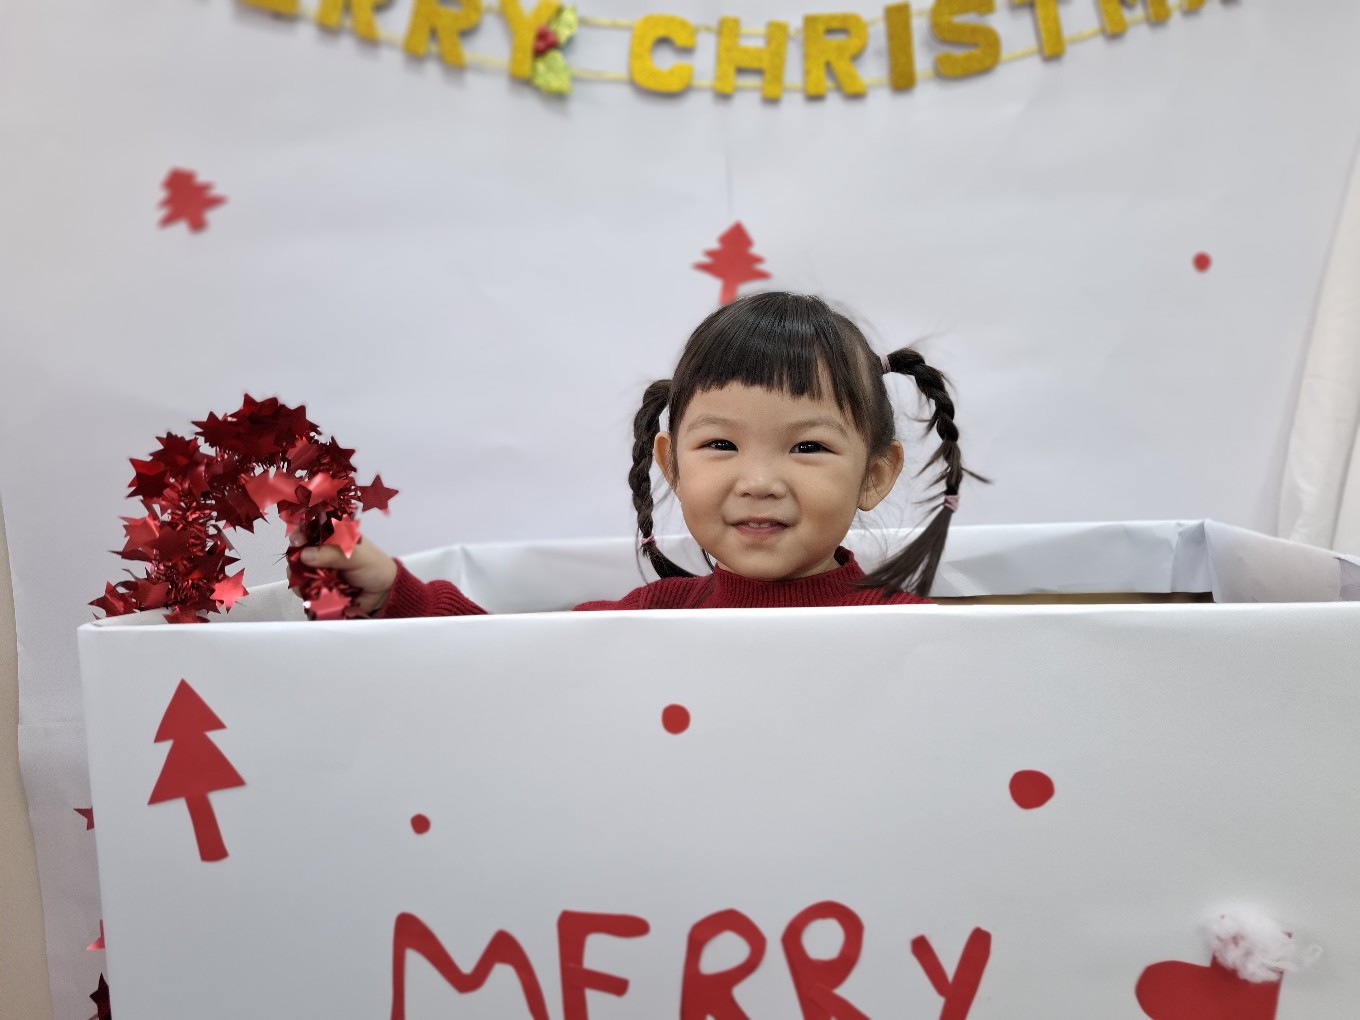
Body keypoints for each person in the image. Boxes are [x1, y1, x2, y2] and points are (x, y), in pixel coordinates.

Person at [294, 291, 976, 616]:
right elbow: (509, 668)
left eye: (807, 446)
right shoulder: (649, 618)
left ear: (875, 475)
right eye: (720, 444)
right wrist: (397, 593)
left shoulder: (916, 637)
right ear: (672, 465)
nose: (759, 480)